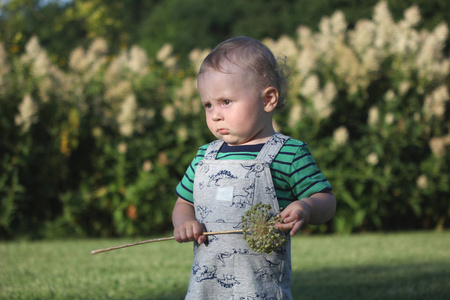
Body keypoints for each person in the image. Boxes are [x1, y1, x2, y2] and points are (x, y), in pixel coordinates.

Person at [172, 36, 336, 299]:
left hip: (260, 288)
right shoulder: (205, 157)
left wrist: (307, 207)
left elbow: (326, 199)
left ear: (268, 99)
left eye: (226, 101)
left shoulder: (288, 153)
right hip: (206, 286)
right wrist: (184, 222)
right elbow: (183, 202)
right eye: (208, 104)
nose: (215, 114)